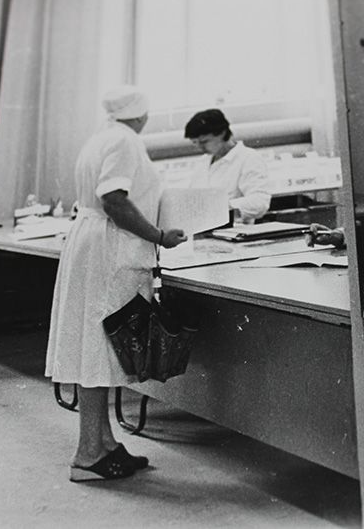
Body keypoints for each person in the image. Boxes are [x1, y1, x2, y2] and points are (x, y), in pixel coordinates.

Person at [45, 85, 187, 482]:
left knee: (97, 346)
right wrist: (159, 236)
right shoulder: (125, 141)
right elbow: (114, 200)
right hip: (110, 248)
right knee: (100, 348)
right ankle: (88, 453)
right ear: (141, 114)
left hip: (93, 243)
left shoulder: (101, 137)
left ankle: (103, 443)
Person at [184, 109, 272, 223]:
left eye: (204, 142)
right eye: (195, 143)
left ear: (222, 133)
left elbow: (259, 203)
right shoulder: (202, 162)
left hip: (234, 230)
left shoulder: (248, 158)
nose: (200, 148)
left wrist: (222, 207)